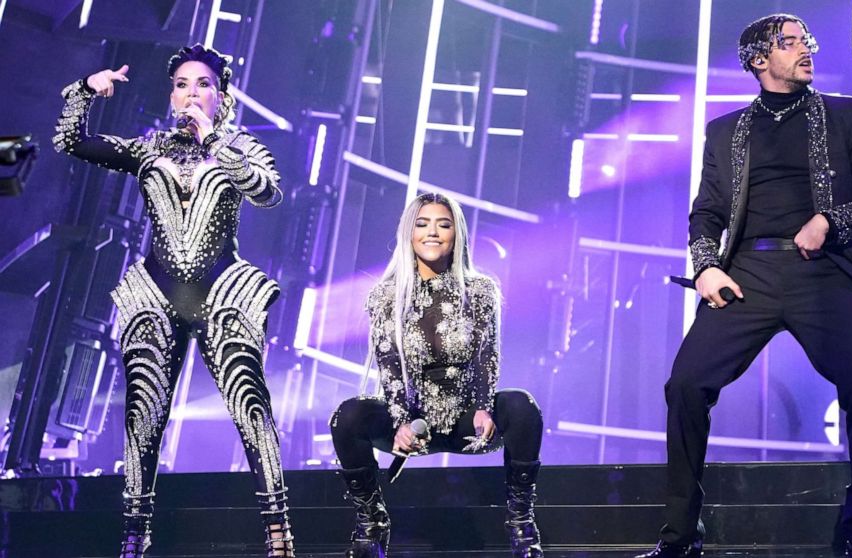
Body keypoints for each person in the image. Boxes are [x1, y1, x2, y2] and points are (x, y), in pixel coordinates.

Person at [635, 14, 852, 558]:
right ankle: (681, 537)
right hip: (747, 275)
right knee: (685, 386)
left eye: (807, 41)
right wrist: (707, 266)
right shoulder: (725, 130)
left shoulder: (849, 116)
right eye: (791, 42)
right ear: (760, 59)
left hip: (826, 271)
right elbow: (706, 213)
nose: (806, 50)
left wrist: (829, 221)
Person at [53, 44, 294, 558]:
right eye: (182, 84)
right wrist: (85, 91)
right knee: (143, 417)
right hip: (157, 294)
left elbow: (268, 192)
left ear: (221, 96)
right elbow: (73, 142)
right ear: (171, 95)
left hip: (222, 290)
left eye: (203, 84)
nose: (191, 92)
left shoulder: (240, 145)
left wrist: (214, 141)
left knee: (251, 407)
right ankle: (134, 539)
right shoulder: (148, 149)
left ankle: (279, 536)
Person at [329, 193, 545, 558]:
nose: (433, 233)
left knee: (522, 406)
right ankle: (371, 522)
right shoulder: (385, 296)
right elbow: (390, 364)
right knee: (348, 415)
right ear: (408, 233)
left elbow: (486, 355)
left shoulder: (480, 290)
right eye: (423, 224)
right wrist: (400, 422)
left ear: (456, 235)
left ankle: (521, 522)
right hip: (412, 421)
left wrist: (481, 406)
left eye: (443, 225)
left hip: (467, 420)